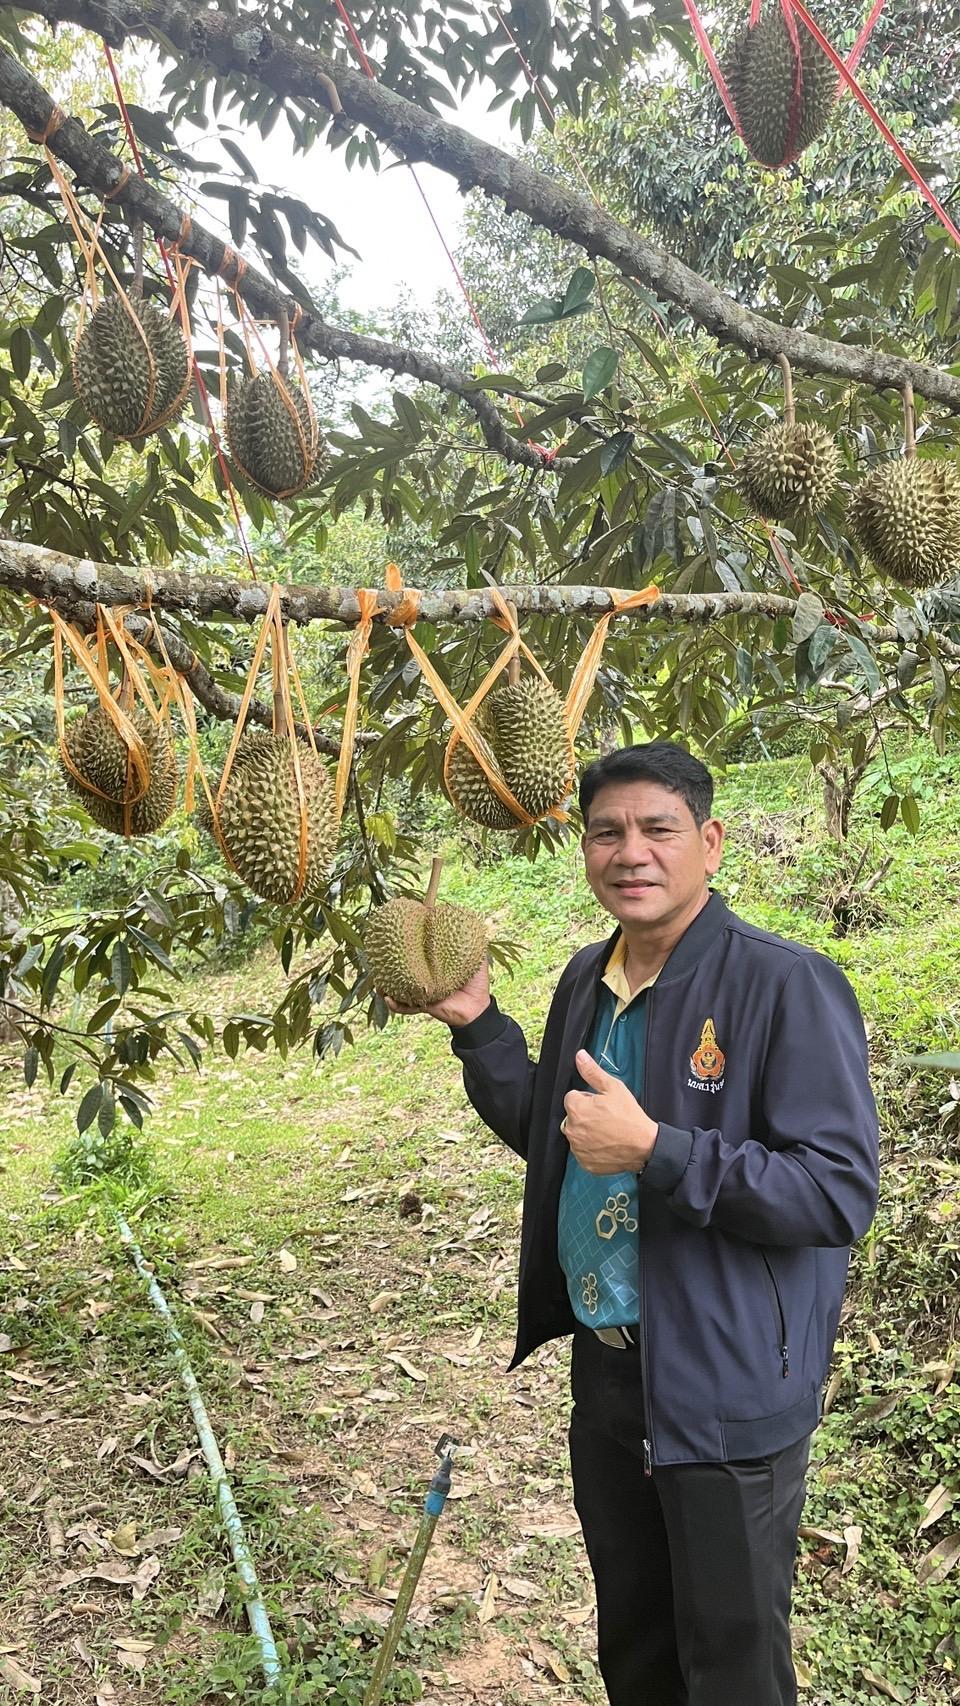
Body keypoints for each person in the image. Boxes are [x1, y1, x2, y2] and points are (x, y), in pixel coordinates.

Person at [381, 740, 879, 1706]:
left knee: (731, 1667)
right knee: (638, 1647)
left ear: (711, 843)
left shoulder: (783, 984)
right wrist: (479, 1027)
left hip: (727, 1385)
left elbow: (834, 1193)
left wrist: (660, 1148)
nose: (632, 852)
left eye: (658, 828)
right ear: (584, 850)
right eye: (607, 832)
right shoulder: (586, 980)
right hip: (611, 1374)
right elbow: (566, 1137)